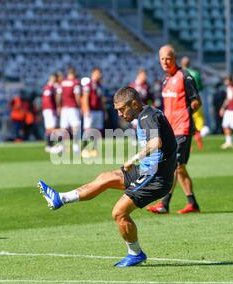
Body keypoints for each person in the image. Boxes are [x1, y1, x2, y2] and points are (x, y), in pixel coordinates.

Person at [38, 87, 178, 267]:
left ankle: (135, 253)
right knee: (105, 177)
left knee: (119, 212)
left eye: (122, 109)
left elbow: (155, 143)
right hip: (147, 170)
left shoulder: (147, 117)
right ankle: (61, 198)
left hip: (156, 178)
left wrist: (133, 159)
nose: (119, 114)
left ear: (134, 104)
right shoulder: (147, 114)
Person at [147, 45, 201, 215]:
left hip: (182, 128)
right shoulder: (165, 80)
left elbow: (196, 101)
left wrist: (187, 112)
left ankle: (164, 204)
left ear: (174, 57)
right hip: (170, 130)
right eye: (162, 59)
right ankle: (192, 203)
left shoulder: (185, 76)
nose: (165, 61)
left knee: (174, 167)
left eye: (168, 58)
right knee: (180, 168)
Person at [181, 56, 205, 150]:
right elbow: (200, 87)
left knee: (186, 121)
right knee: (198, 119)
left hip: (183, 101)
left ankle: (188, 144)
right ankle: (198, 138)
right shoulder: (195, 73)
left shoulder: (179, 74)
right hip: (195, 99)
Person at [81, 67, 105, 158]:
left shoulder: (100, 85)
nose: (99, 75)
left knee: (97, 131)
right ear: (93, 73)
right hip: (91, 111)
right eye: (97, 73)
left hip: (98, 111)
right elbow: (85, 97)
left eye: (100, 73)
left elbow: (101, 99)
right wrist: (86, 110)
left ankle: (94, 149)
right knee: (88, 130)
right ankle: (84, 149)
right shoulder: (88, 85)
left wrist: (104, 111)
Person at [56, 67, 82, 153]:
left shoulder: (62, 82)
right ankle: (75, 146)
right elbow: (77, 96)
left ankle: (61, 146)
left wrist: (58, 106)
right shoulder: (75, 82)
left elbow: (58, 95)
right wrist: (80, 106)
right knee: (76, 126)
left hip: (64, 108)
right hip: (73, 107)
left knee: (63, 128)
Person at [41, 74, 60, 152]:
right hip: (49, 109)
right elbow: (47, 100)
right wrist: (51, 109)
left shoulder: (50, 88)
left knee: (49, 128)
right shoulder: (49, 88)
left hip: (48, 109)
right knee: (52, 127)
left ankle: (49, 145)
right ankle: (51, 145)